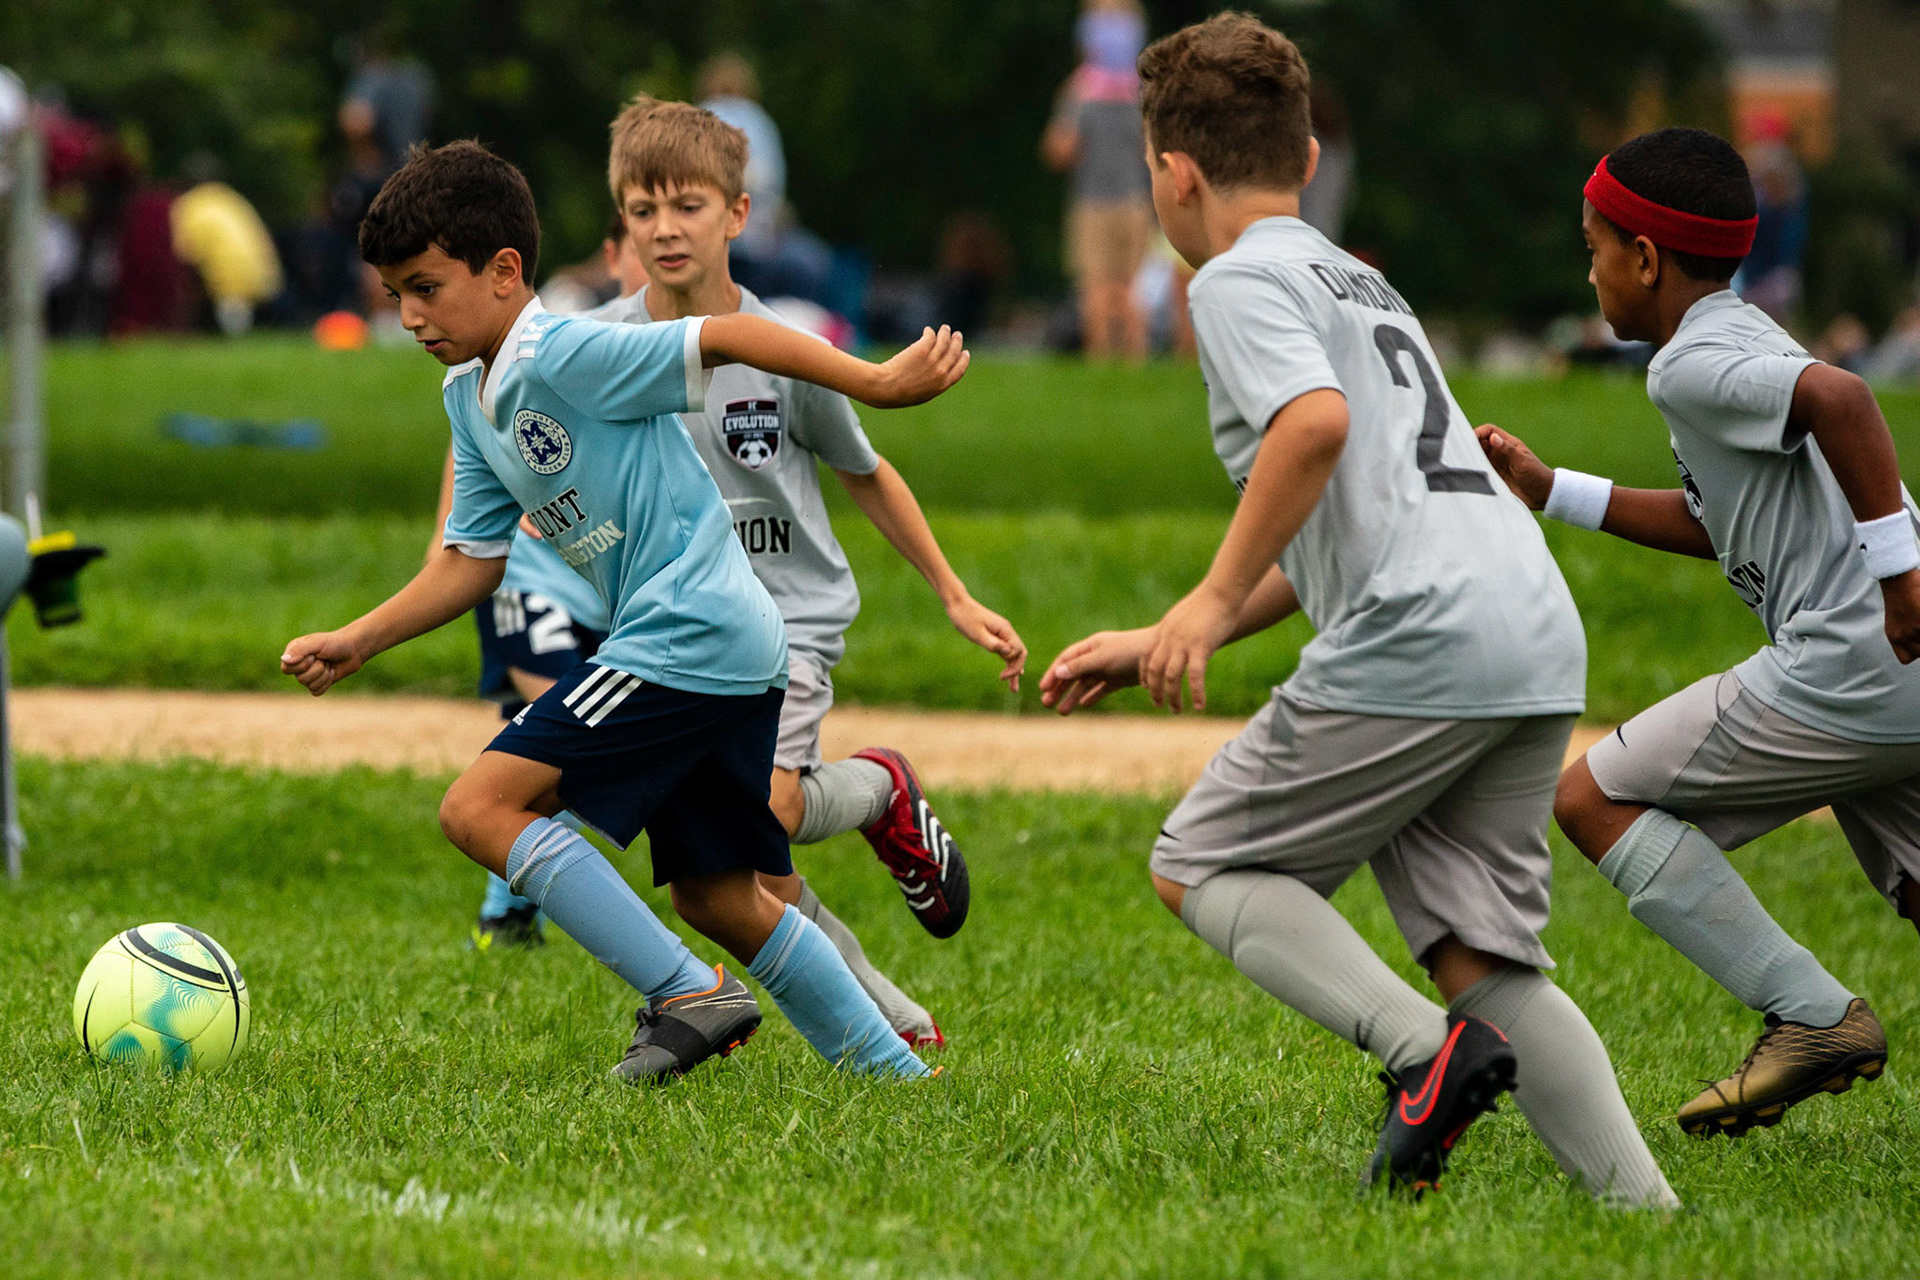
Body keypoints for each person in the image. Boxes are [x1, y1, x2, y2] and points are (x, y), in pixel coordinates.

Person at [1040, 15, 1676, 1206]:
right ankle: (1646, 1213)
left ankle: (1423, 1057)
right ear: (1311, 158)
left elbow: (1313, 428)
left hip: (1422, 633)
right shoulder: (1359, 274)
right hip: (1528, 626)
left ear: (1171, 175)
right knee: (1482, 956)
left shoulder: (1230, 278)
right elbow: (1345, 494)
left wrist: (1209, 591)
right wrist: (1184, 632)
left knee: (1200, 860)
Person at [282, 141, 969, 1083]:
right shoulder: (467, 396)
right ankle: (897, 1076)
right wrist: (358, 639)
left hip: (685, 634)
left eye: (426, 288)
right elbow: (473, 560)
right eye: (395, 293)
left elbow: (723, 338)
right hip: (719, 641)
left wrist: (879, 382)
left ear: (505, 270)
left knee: (481, 807)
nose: (407, 316)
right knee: (720, 896)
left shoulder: (560, 351)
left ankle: (691, 996)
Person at [1478, 126, 1909, 1140]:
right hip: (1898, 668)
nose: (1590, 276)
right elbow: (1720, 520)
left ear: (1644, 257)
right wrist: (1551, 491)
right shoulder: (1741, 336)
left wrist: (1900, 580)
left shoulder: (1690, 366)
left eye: (1592, 250)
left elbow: (1844, 399)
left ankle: (1813, 1014)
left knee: (1591, 795)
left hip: (1851, 654)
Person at [586, 94, 1030, 1046]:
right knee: (755, 880)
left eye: (688, 206)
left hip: (789, 615)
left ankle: (873, 790)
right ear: (620, 221)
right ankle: (893, 1017)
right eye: (643, 209)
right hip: (672, 629)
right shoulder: (606, 348)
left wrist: (954, 593)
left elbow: (866, 473)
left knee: (774, 807)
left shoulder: (786, 347)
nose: (665, 229)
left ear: (738, 214)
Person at [1043, 0, 1154, 359]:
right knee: (1133, 290)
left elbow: (1059, 150)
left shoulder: (1080, 89)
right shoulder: (1144, 89)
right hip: (1137, 201)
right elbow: (1154, 152)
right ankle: (1134, 365)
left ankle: (1101, 362)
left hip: (1092, 203)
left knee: (1095, 289)